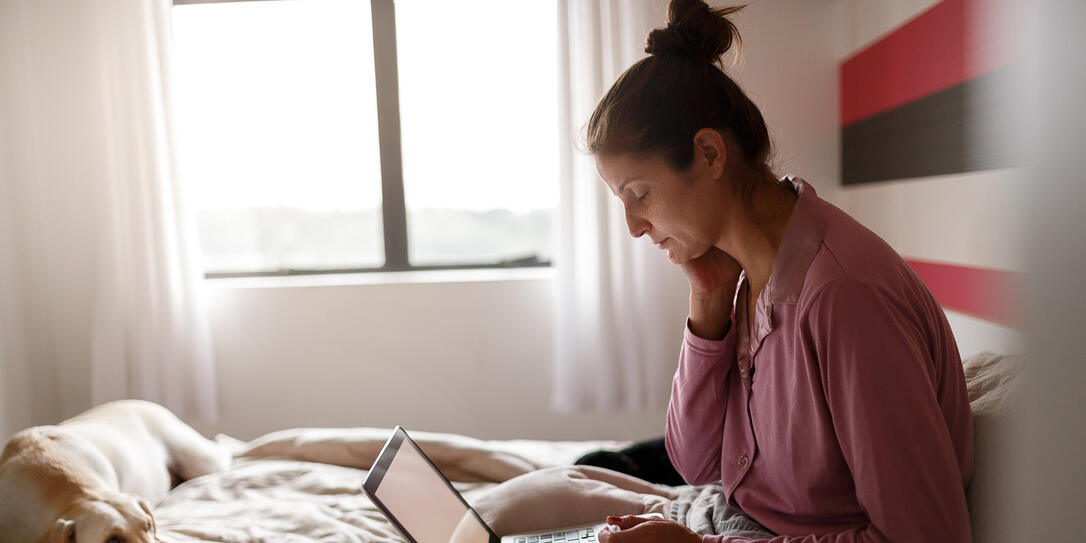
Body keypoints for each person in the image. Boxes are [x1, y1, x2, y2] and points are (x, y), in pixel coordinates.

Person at [589, 1, 974, 542]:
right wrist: (709, 300)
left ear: (708, 154)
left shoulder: (844, 296)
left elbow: (927, 536)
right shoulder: (747, 274)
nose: (633, 226)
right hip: (727, 517)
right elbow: (696, 463)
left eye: (640, 195)